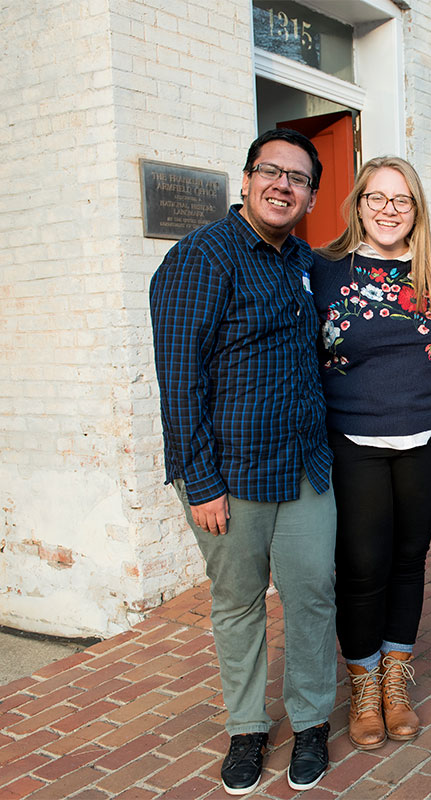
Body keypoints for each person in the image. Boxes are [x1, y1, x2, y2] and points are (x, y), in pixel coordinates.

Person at [149, 129, 336, 794]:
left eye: (298, 178)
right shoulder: (201, 258)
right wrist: (199, 481)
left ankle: (312, 721)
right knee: (238, 604)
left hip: (307, 468)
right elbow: (179, 381)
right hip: (230, 477)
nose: (284, 186)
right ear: (248, 179)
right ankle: (248, 728)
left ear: (312, 193)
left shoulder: (302, 261)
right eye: (272, 173)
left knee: (313, 595)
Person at [311, 157, 431, 751]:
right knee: (363, 565)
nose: (389, 209)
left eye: (402, 200)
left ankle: (396, 675)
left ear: (416, 208)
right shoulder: (322, 268)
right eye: (377, 198)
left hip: (427, 434)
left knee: (410, 558)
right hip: (355, 438)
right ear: (358, 204)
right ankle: (363, 682)